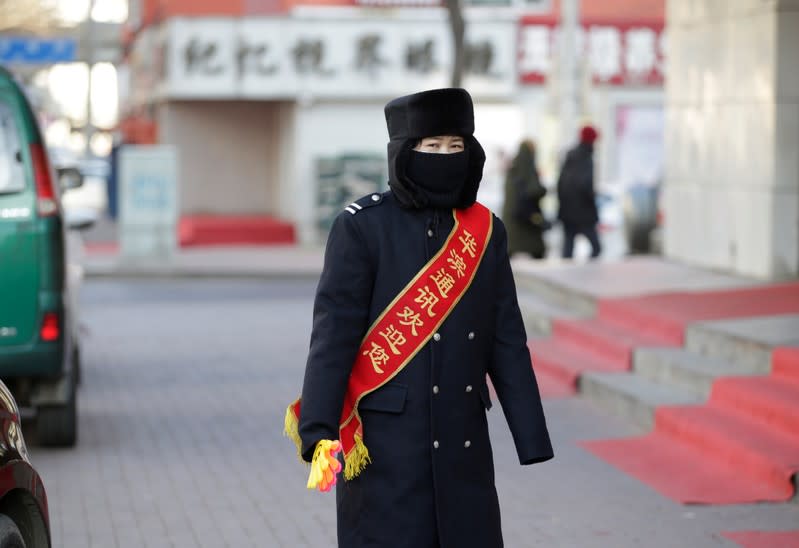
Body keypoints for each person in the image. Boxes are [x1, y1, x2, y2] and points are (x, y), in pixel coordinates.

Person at [285, 88, 553, 548]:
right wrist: (319, 431)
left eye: (456, 145)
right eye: (432, 146)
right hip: (386, 446)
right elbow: (334, 335)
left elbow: (505, 337)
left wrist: (530, 434)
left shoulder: (485, 232)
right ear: (406, 153)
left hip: (462, 437)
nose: (446, 156)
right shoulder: (362, 226)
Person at [556, 125, 602, 259]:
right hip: (583, 211)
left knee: (568, 249)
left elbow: (560, 183)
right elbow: (585, 185)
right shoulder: (586, 157)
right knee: (596, 247)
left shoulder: (570, 155)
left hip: (567, 209)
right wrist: (592, 198)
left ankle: (567, 274)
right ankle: (589, 275)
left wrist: (562, 204)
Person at [501, 139, 548, 259]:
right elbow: (534, 190)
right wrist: (543, 190)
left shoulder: (513, 166)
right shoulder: (528, 166)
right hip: (526, 216)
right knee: (537, 249)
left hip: (513, 215)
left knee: (511, 246)